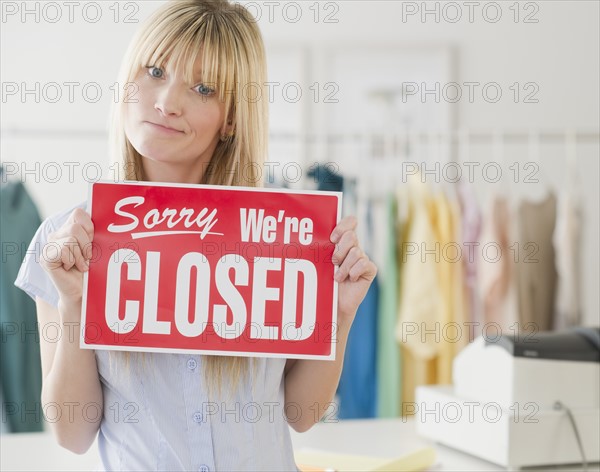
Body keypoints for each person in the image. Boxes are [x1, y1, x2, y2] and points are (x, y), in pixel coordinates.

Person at [15, 1, 377, 470]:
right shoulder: (65, 242)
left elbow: (301, 414)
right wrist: (74, 305)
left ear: (230, 119)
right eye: (155, 70)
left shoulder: (280, 236)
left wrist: (340, 315)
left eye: (203, 88)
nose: (166, 101)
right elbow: (72, 433)